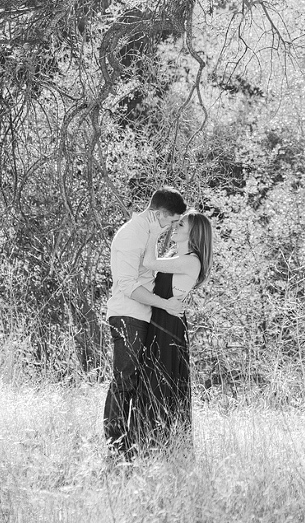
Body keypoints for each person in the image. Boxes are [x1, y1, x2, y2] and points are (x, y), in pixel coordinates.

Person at [102, 187, 186, 460]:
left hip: (142, 317)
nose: (174, 226)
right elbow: (127, 285)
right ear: (161, 214)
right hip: (128, 316)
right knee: (123, 381)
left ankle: (131, 448)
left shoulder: (150, 231)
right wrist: (164, 304)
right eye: (173, 221)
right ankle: (114, 449)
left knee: (137, 384)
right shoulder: (131, 234)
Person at [128, 211, 213, 449]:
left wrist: (154, 233)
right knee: (152, 380)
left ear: (193, 232)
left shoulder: (191, 260)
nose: (175, 226)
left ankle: (160, 446)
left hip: (168, 326)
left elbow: (149, 263)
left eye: (180, 224)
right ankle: (145, 444)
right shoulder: (178, 256)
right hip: (162, 321)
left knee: (160, 383)